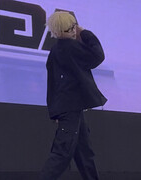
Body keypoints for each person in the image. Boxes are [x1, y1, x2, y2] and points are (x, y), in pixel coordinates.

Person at [40, 11, 107, 180]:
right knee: (62, 153)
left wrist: (55, 110)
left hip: (69, 108)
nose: (74, 29)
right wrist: (85, 33)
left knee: (84, 153)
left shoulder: (56, 50)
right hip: (71, 108)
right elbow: (98, 56)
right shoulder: (71, 47)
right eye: (72, 26)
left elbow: (52, 82)